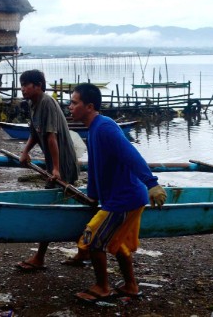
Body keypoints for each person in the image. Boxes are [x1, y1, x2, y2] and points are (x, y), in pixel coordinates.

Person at [68, 83, 166, 303]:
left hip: (125, 198)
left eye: (74, 102)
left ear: (90, 106)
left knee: (93, 240)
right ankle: (131, 286)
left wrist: (152, 183)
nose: (69, 106)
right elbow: (96, 167)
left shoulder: (105, 127)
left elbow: (130, 154)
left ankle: (102, 287)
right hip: (120, 198)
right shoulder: (94, 129)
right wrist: (93, 195)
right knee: (115, 242)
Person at [17, 69, 87, 270]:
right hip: (53, 163)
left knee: (52, 208)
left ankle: (40, 257)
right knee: (67, 205)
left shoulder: (46, 102)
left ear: (38, 85)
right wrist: (25, 152)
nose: (22, 89)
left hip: (62, 163)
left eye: (25, 85)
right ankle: (84, 250)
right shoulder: (33, 104)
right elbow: (35, 132)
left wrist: (55, 169)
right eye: (21, 85)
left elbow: (51, 137)